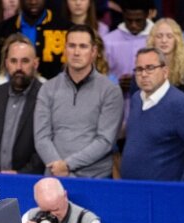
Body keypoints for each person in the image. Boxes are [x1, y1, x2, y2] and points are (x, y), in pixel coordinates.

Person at [33, 24, 123, 178]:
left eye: (83, 46)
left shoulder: (111, 91)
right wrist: (58, 167)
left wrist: (67, 165)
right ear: (65, 49)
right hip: (54, 176)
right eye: (72, 46)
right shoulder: (48, 88)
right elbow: (41, 137)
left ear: (94, 52)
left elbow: (105, 141)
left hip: (95, 178)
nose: (76, 52)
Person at [121, 48, 184, 181]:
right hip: (133, 190)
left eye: (150, 68)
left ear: (165, 71)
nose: (144, 74)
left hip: (163, 195)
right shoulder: (137, 98)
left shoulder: (181, 105)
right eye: (139, 69)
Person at [0, 35, 44, 173]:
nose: (18, 67)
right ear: (7, 63)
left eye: (25, 61)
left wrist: (20, 175)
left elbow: (46, 145)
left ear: (35, 63)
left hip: (28, 182)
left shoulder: (45, 96)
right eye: (14, 61)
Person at [0, 0, 70, 85]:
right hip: (9, 98)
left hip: (55, 98)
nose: (33, 1)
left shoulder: (66, 29)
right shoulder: (1, 31)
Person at [102, 0, 153, 97]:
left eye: (138, 20)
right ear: (123, 14)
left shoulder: (158, 40)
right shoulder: (108, 41)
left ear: (147, 15)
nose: (133, 25)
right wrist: (116, 84)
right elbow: (100, 75)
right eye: (129, 20)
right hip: (116, 103)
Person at [147, 18, 184, 97]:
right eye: (159, 36)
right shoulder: (143, 68)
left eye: (169, 36)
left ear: (177, 40)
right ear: (153, 40)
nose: (164, 40)